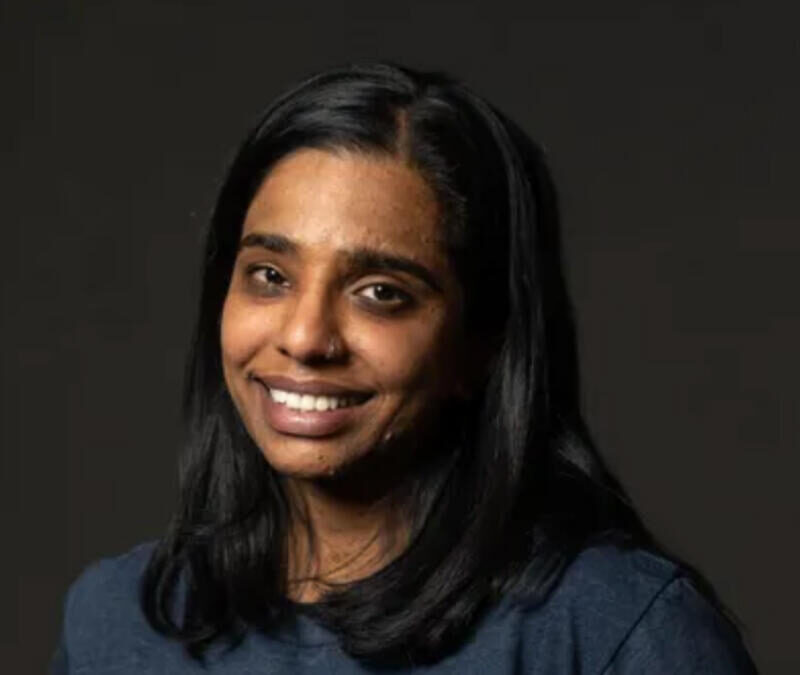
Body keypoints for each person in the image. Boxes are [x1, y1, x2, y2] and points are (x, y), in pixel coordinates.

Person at [50, 61, 758, 673]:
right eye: (269, 274)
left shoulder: (612, 630)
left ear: (481, 344)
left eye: (380, 293)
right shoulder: (117, 624)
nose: (305, 335)